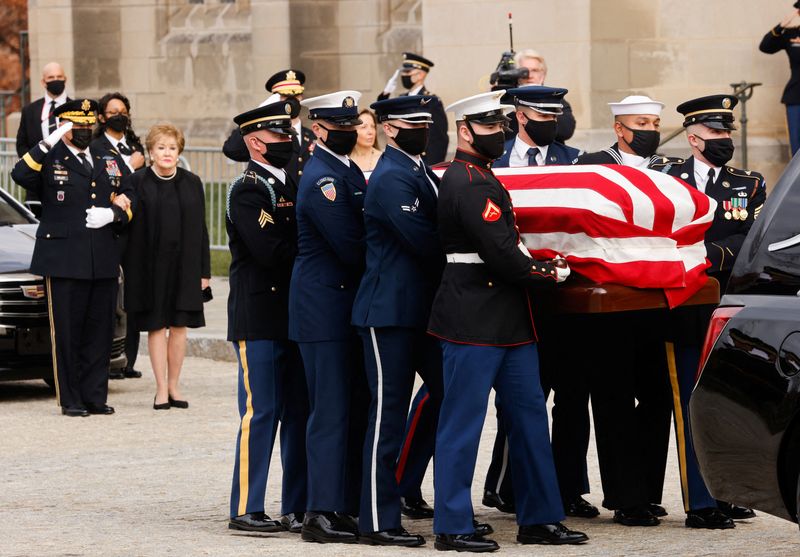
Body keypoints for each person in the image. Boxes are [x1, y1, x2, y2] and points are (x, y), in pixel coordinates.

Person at [428, 90, 587, 552]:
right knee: (462, 425)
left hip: (509, 322)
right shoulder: (468, 181)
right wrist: (547, 272)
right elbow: (499, 254)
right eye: (488, 127)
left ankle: (539, 516)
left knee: (530, 420)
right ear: (464, 131)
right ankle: (452, 525)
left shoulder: (483, 177)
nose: (497, 134)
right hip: (473, 320)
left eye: (500, 127)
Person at [651, 94, 766, 529]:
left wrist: (702, 255)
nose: (725, 140)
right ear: (694, 138)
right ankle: (700, 503)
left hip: (726, 303)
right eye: (717, 133)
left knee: (730, 399)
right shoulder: (668, 178)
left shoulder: (747, 182)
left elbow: (751, 237)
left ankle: (730, 493)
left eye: (727, 132)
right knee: (689, 403)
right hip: (681, 305)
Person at [483, 84, 594, 521]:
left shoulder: (576, 162)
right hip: (517, 294)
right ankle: (506, 484)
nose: (553, 123)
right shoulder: (496, 160)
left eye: (556, 116)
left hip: (568, 297)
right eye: (543, 117)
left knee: (572, 396)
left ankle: (568, 487)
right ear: (521, 116)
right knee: (521, 396)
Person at [572, 95, 674, 527]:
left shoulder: (670, 170)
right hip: (609, 303)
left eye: (653, 121)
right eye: (639, 122)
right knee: (612, 397)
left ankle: (648, 490)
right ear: (619, 128)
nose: (648, 129)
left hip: (657, 301)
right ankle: (624, 495)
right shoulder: (593, 165)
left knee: (657, 397)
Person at [350, 95, 444, 546]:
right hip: (387, 314)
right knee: (387, 414)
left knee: (448, 392)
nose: (422, 130)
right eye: (413, 124)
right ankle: (376, 519)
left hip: (420, 311)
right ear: (390, 128)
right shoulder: (390, 178)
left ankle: (409, 488)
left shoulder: (418, 170)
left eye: (425, 123)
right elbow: (425, 240)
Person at [11, 99, 134, 417]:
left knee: (99, 329)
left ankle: (95, 395)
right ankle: (71, 398)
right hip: (64, 258)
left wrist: (114, 213)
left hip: (102, 255)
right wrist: (47, 141)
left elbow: (131, 191)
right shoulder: (49, 157)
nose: (83, 130)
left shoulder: (106, 155)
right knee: (68, 330)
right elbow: (20, 174)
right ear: (63, 126)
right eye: (75, 125)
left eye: (87, 125)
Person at [224, 96, 309, 534]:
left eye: (287, 133)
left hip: (291, 316)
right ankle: (246, 506)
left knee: (298, 413)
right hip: (258, 316)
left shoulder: (290, 184)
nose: (286, 139)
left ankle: (296, 504)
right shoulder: (249, 189)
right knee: (261, 413)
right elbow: (271, 250)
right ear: (255, 142)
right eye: (277, 135)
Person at [289, 90, 367, 543]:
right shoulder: (323, 179)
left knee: (348, 408)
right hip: (323, 309)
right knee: (329, 412)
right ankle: (319, 511)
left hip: (341, 307)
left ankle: (340, 502)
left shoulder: (346, 169)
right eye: (339, 128)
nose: (347, 134)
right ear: (318, 130)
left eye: (351, 126)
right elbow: (350, 244)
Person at [120, 124, 210, 410]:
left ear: (179, 150)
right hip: (149, 267)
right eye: (161, 148)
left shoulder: (192, 181)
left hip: (185, 266)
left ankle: (175, 385)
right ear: (150, 151)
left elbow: (202, 230)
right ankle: (160, 388)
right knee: (156, 326)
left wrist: (204, 272)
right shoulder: (137, 181)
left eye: (172, 148)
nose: (167, 153)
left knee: (180, 325)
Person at [90, 91, 146, 381]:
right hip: (112, 230)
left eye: (123, 110)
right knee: (112, 296)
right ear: (102, 117)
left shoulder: (135, 146)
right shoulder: (97, 147)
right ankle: (110, 358)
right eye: (112, 111)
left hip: (136, 231)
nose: (119, 115)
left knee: (133, 295)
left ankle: (129, 360)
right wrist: (130, 166)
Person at [223, 69, 315, 183]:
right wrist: (260, 111)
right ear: (275, 99)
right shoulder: (265, 135)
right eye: (285, 96)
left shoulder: (313, 136)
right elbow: (232, 150)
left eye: (296, 95)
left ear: (301, 96)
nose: (291, 102)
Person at [15, 62, 71, 207]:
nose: (56, 80)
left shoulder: (76, 108)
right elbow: (22, 144)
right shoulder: (30, 110)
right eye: (51, 77)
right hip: (37, 184)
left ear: (65, 79)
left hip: (70, 181)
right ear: (43, 81)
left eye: (59, 76)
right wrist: (35, 165)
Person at [378, 53, 449, 165]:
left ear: (420, 75)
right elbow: (380, 118)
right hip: (403, 159)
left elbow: (439, 139)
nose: (404, 75)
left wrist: (432, 166)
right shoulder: (402, 99)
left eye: (408, 72)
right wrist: (385, 94)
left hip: (424, 161)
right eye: (403, 72)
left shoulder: (432, 101)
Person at [493, 86, 579, 167]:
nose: (551, 121)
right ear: (521, 117)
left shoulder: (574, 159)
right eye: (543, 116)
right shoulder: (493, 158)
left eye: (554, 116)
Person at [759, 3, 800, 155]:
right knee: (797, 149)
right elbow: (765, 46)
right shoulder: (792, 34)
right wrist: (780, 26)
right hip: (796, 97)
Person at [511, 50, 576, 143]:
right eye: (524, 71)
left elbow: (566, 131)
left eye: (535, 70)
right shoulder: (508, 99)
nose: (529, 75)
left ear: (543, 75)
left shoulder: (556, 99)